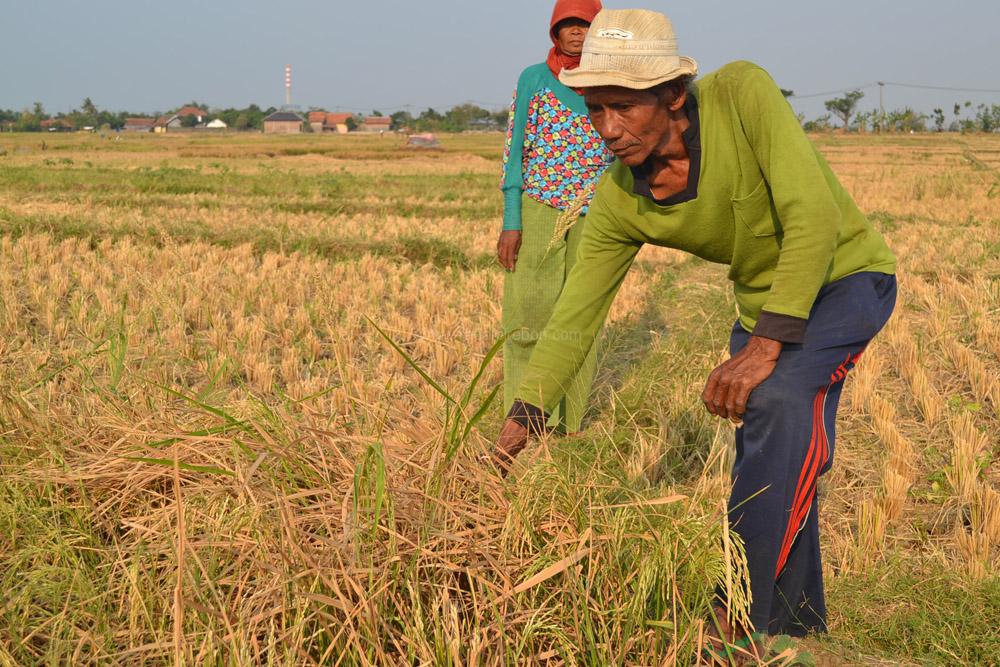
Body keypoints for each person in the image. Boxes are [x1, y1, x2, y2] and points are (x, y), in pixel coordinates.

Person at [493, 8, 897, 661]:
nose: (608, 130)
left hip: (845, 281)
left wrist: (765, 347)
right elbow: (574, 318)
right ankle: (797, 620)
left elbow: (813, 214)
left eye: (623, 107)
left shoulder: (741, 94)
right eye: (596, 110)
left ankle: (736, 614)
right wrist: (521, 420)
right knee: (771, 455)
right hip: (762, 306)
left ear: (672, 95)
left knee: (779, 405)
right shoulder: (622, 200)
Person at [499, 0, 614, 435]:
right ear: (553, 31)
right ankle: (519, 420)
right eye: (566, 25)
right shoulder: (534, 78)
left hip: (596, 213)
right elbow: (515, 153)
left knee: (579, 319)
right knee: (527, 316)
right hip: (539, 205)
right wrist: (512, 221)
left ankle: (566, 424)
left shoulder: (608, 81)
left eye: (584, 24)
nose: (575, 32)